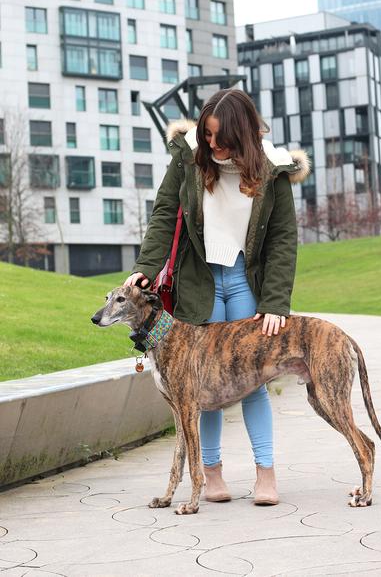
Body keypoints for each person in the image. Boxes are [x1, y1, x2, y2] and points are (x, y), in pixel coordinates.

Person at [124, 88, 310, 505]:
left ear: (242, 135)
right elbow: (164, 213)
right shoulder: (188, 157)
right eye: (207, 135)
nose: (211, 145)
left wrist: (276, 302)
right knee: (200, 383)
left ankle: (266, 474)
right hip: (198, 280)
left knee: (254, 380)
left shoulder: (272, 169)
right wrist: (145, 268)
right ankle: (212, 473)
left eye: (219, 138)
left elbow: (283, 239)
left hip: (246, 282)